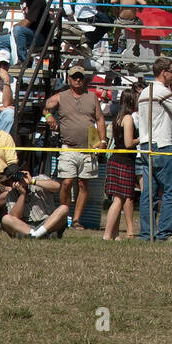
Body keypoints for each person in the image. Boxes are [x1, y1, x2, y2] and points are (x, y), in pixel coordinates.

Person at [45, 65, 107, 227]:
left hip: (88, 148)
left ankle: (77, 220)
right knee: (66, 182)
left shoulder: (92, 97)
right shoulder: (61, 96)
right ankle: (64, 216)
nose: (78, 79)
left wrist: (103, 141)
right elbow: (44, 105)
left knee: (83, 184)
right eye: (75, 77)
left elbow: (100, 119)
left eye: (80, 76)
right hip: (68, 147)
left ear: (84, 78)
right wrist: (48, 116)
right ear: (69, 79)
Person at [135, 56, 172, 242]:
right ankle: (165, 234)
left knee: (149, 193)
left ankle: (146, 233)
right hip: (163, 145)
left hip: (145, 146)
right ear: (164, 72)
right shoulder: (162, 92)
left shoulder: (145, 92)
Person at [103, 88, 139, 240]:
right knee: (119, 199)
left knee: (119, 198)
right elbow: (128, 143)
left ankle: (115, 234)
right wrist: (143, 138)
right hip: (123, 161)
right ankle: (107, 235)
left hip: (117, 160)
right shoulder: (129, 118)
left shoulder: (118, 117)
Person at [1, 164, 69, 240]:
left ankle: (35, 235)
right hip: (26, 226)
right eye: (12, 179)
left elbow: (57, 187)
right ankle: (38, 234)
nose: (17, 181)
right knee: (6, 219)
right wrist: (22, 194)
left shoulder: (39, 179)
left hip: (48, 222)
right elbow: (14, 217)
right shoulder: (11, 195)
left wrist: (33, 182)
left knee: (64, 208)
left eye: (18, 176)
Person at [12, 0, 50, 66]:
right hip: (29, 34)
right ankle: (4, 64)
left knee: (18, 30)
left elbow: (27, 22)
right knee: (0, 42)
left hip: (40, 36)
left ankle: (24, 61)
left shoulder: (39, 0)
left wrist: (14, 28)